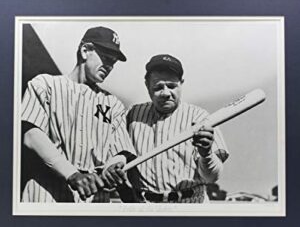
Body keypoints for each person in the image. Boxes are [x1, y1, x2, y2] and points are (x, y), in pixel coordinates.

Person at [21, 26, 136, 203]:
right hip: (46, 192)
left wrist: (114, 166)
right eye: (105, 57)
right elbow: (31, 134)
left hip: (95, 196)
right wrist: (72, 174)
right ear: (85, 51)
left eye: (113, 62)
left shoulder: (113, 104)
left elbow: (121, 150)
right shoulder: (45, 84)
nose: (110, 66)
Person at [126, 54, 229, 203]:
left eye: (172, 86)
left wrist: (206, 154)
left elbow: (212, 177)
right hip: (144, 205)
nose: (166, 93)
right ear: (147, 85)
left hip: (190, 204)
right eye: (158, 87)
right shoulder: (132, 115)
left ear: (181, 84)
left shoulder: (200, 117)